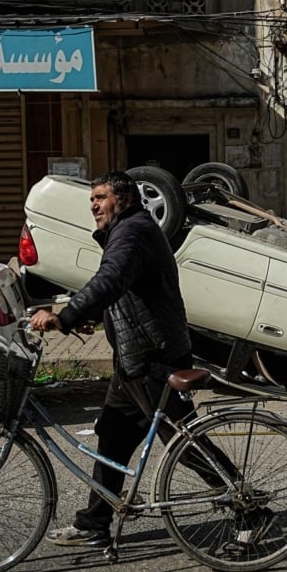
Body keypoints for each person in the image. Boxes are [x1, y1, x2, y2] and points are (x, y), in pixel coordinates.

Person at [30, 170, 199, 547]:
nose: (94, 206)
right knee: (114, 435)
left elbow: (111, 279)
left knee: (186, 443)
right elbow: (126, 293)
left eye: (101, 198)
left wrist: (67, 315)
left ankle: (247, 507)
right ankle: (94, 523)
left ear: (122, 199)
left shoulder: (132, 232)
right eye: (91, 200)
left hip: (154, 358)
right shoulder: (128, 231)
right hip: (134, 357)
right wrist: (91, 318)